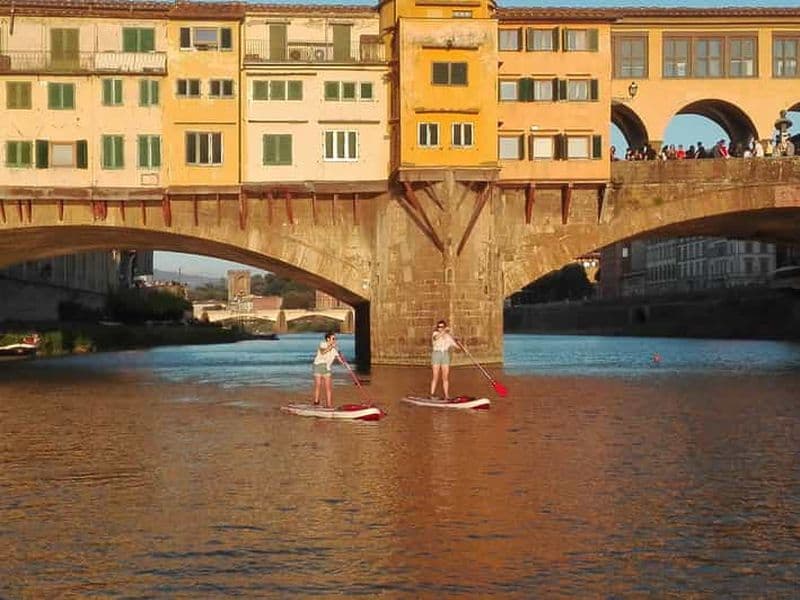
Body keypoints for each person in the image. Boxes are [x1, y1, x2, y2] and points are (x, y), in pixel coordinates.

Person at [430, 319, 458, 400]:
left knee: (445, 377)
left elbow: (455, 345)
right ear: (437, 328)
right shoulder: (435, 334)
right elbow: (436, 338)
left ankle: (446, 395)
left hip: (445, 355)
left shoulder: (448, 337)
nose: (441, 328)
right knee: (435, 376)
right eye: (439, 327)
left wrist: (459, 345)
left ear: (444, 327)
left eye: (442, 327)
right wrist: (444, 331)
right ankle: (432, 394)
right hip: (436, 354)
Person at [312, 332, 339, 408]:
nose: (334, 340)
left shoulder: (334, 349)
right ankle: (316, 402)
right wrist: (331, 347)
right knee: (318, 385)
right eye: (333, 338)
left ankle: (329, 405)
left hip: (327, 368)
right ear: (328, 339)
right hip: (319, 365)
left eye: (335, 339)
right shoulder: (323, 344)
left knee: (328, 387)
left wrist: (345, 363)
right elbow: (323, 352)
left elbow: (339, 358)